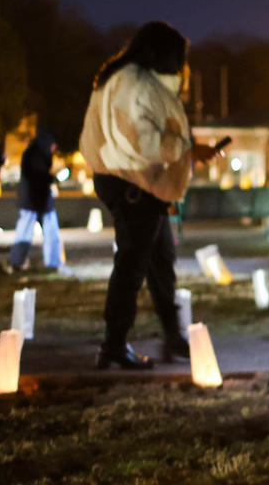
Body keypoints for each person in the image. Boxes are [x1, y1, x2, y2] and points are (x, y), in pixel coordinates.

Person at [78, 20, 220, 370]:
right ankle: (114, 344)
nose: (182, 67)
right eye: (179, 58)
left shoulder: (122, 78)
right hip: (134, 184)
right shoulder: (135, 83)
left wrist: (185, 152)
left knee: (158, 262)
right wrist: (186, 149)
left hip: (136, 184)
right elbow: (141, 140)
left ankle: (171, 337)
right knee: (133, 264)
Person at [7, 128, 70, 276]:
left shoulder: (34, 152)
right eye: (53, 145)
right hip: (33, 199)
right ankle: (20, 262)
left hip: (36, 199)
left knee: (42, 231)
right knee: (30, 232)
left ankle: (19, 262)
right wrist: (51, 179)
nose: (54, 148)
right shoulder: (37, 154)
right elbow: (39, 175)